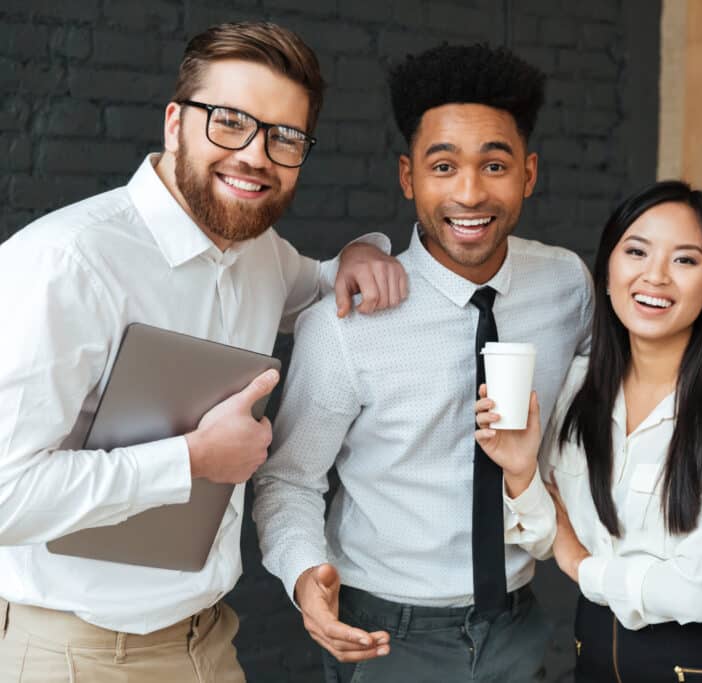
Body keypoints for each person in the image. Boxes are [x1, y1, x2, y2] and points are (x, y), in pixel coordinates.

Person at [252, 44, 702, 683]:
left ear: (529, 174)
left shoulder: (566, 284)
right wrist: (303, 577)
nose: (469, 192)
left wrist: (701, 347)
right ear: (409, 178)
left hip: (522, 624)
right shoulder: (346, 325)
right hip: (389, 635)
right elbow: (289, 480)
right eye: (443, 166)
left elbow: (621, 374)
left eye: (495, 164)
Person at [0, 22, 404, 682]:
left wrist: (365, 250)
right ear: (173, 123)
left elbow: (327, 284)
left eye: (285, 136)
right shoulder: (63, 265)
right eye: (228, 122)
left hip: (208, 645)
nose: (255, 154)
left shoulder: (259, 257)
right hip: (72, 656)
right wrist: (192, 458)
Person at [474, 180, 702, 682]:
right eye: (636, 251)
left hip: (701, 664)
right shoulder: (577, 385)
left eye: (685, 260)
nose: (655, 276)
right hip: (593, 646)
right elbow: (548, 532)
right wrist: (520, 471)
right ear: (608, 273)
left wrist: (579, 566)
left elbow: (697, 592)